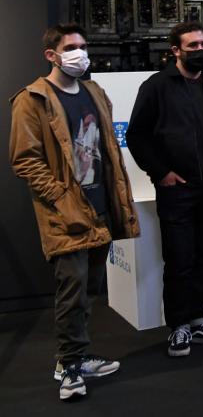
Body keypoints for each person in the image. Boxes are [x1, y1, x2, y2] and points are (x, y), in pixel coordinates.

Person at [10, 24, 140, 400]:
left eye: (83, 46)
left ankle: (76, 357)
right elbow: (25, 160)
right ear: (51, 54)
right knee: (72, 289)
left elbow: (108, 148)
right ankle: (68, 366)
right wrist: (61, 197)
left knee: (90, 288)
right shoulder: (32, 99)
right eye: (71, 47)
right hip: (65, 214)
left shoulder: (93, 91)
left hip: (101, 207)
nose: (80, 53)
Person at [126, 21, 203, 357]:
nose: (201, 50)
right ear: (175, 50)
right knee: (179, 260)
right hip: (178, 191)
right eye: (193, 46)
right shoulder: (157, 86)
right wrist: (161, 173)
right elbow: (137, 135)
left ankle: (197, 317)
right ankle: (177, 326)